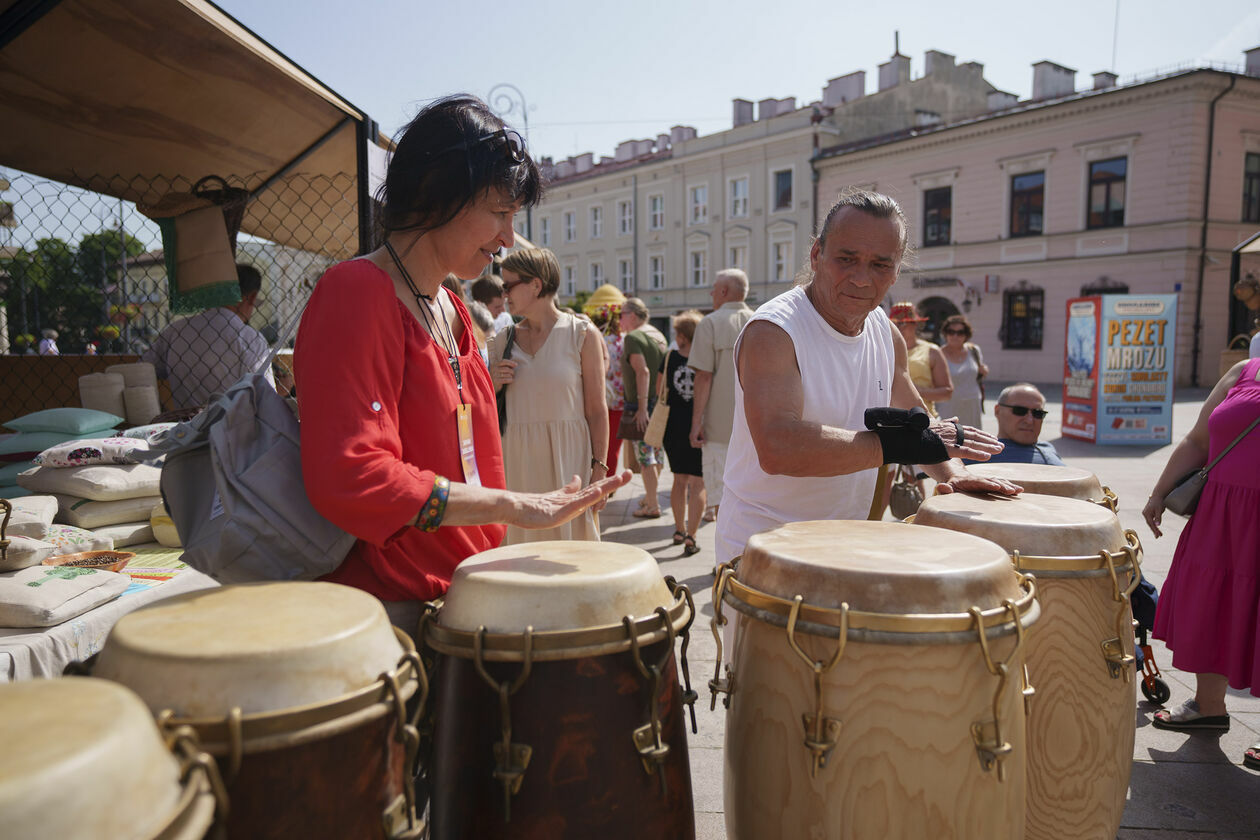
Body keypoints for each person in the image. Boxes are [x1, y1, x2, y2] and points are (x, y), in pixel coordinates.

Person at [294, 95, 629, 629]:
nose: (506, 239)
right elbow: (353, 475)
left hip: (466, 590)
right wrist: (512, 506)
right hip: (391, 611)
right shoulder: (357, 291)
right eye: (498, 213)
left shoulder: (449, 305)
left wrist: (516, 507)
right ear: (437, 195)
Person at [715, 190, 1014, 564]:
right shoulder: (774, 332)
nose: (861, 278)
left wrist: (951, 472)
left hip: (845, 542)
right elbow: (778, 447)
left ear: (896, 271)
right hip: (762, 547)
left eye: (880, 265)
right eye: (847, 259)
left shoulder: (885, 333)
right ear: (816, 255)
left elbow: (914, 416)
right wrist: (891, 447)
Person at [1142, 357, 1260, 770]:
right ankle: (1209, 707)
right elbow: (1197, 441)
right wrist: (1159, 493)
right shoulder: (1245, 369)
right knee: (1212, 607)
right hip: (1221, 515)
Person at [489, 247, 609, 544]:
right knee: (520, 548)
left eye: (508, 285)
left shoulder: (581, 334)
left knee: (569, 551)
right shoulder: (502, 341)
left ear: (536, 284)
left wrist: (600, 472)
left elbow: (597, 410)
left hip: (569, 460)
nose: (504, 294)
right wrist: (492, 384)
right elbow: (483, 410)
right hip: (516, 460)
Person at [143, 263, 273, 410]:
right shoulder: (250, 338)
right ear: (251, 297)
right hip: (236, 429)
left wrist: (161, 414)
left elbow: (140, 373)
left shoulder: (175, 332)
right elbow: (265, 398)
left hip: (186, 429)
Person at [689, 268, 754, 524]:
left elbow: (703, 377)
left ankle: (728, 561)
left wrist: (696, 423)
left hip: (719, 429)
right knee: (751, 500)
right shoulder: (762, 320)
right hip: (754, 428)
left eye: (714, 288)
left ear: (725, 291)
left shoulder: (711, 323)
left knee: (722, 500)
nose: (711, 292)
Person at [659, 310, 705, 555]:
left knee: (679, 480)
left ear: (685, 334)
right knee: (698, 483)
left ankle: (679, 529)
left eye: (677, 332)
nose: (675, 336)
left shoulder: (669, 359)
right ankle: (692, 536)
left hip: (673, 426)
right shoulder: (706, 359)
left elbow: (660, 390)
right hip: (700, 426)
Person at [620, 297, 668, 518]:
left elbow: (643, 372)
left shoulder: (633, 337)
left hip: (641, 403)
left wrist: (641, 408)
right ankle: (650, 498)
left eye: (622, 314)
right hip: (658, 402)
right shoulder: (658, 335)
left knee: (645, 455)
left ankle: (652, 504)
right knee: (655, 452)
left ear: (633, 315)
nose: (619, 319)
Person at [963, 383, 1064, 466]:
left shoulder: (1047, 447)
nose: (1029, 420)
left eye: (1038, 413)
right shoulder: (974, 453)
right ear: (998, 411)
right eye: (1019, 411)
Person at [890, 302, 952, 415]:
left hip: (922, 418)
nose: (897, 327)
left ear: (915, 324)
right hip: (890, 420)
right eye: (894, 323)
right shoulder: (882, 350)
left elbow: (947, 392)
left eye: (903, 323)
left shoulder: (932, 351)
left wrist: (913, 391)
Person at [591, 301, 626, 476]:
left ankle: (600, 478)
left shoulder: (598, 340)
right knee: (613, 445)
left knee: (599, 443)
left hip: (599, 396)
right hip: (619, 399)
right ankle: (610, 481)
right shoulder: (623, 341)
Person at [935, 314, 988, 428]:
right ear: (945, 333)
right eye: (951, 332)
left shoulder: (974, 351)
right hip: (948, 406)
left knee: (973, 439)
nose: (955, 336)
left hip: (972, 404)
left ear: (966, 334)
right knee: (949, 438)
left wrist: (984, 370)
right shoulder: (938, 354)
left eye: (960, 332)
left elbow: (979, 372)